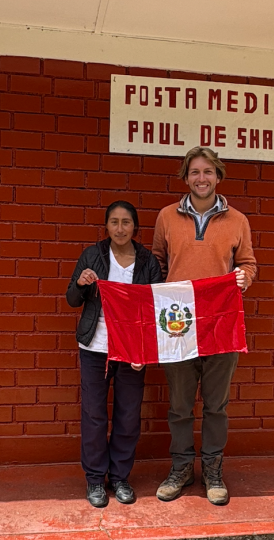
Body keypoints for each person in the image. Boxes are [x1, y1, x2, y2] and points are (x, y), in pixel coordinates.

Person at [152, 146, 257, 506]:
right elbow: (156, 264)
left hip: (221, 323)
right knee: (180, 406)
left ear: (218, 176)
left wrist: (244, 277)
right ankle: (181, 468)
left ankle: (213, 469)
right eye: (195, 172)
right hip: (177, 325)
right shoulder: (166, 217)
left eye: (208, 172)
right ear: (186, 177)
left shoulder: (238, 220)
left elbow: (248, 264)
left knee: (216, 405)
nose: (201, 178)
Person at [66, 201, 162, 508]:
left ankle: (120, 477)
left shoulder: (147, 261)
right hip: (95, 347)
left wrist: (145, 348)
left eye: (126, 222)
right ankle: (95, 479)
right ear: (106, 226)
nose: (120, 228)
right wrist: (81, 284)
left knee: (128, 416)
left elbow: (155, 308)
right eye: (114, 222)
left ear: (135, 227)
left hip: (132, 349)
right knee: (94, 415)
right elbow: (71, 299)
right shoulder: (92, 255)